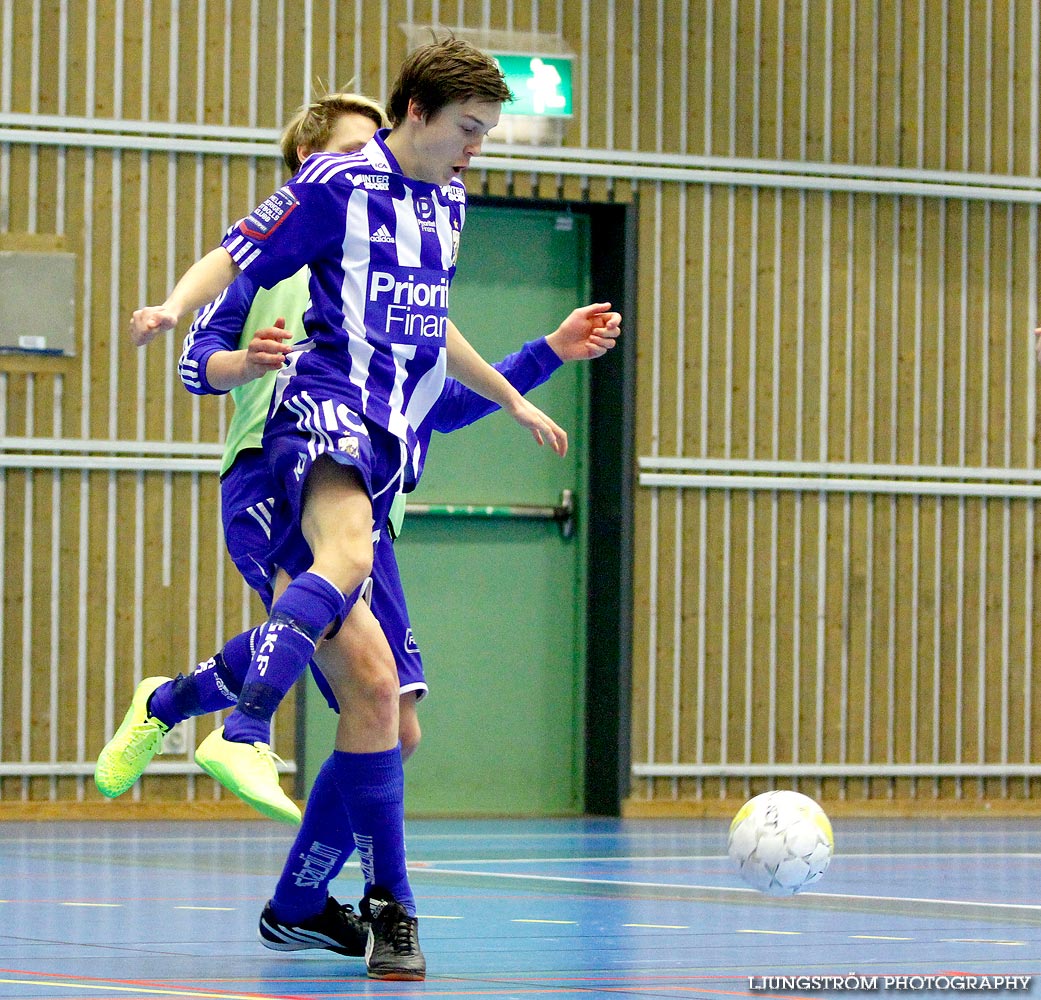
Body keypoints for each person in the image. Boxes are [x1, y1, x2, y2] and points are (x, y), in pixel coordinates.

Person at [125, 38, 602, 980]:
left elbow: (432, 337)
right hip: (310, 421)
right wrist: (173, 309)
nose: (477, 148)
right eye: (467, 129)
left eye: (486, 134)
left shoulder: (448, 202)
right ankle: (256, 732)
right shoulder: (334, 188)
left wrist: (521, 384)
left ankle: (228, 762)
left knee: (388, 707)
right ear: (413, 114)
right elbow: (230, 259)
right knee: (341, 561)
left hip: (387, 439)